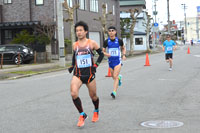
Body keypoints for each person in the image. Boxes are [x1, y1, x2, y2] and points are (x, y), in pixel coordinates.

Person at [68, 21, 104, 127]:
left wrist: (96, 65)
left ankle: (96, 110)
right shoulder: (75, 45)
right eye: (77, 31)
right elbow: (75, 57)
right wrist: (71, 66)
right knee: (73, 93)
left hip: (89, 74)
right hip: (78, 74)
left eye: (80, 30)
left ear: (85, 31)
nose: (78, 33)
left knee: (93, 96)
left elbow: (101, 54)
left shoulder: (91, 43)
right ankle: (82, 114)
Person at [102, 26, 126, 99]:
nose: (111, 32)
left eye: (112, 30)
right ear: (108, 32)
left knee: (115, 76)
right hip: (110, 62)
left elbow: (123, 48)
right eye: (109, 31)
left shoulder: (119, 41)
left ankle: (114, 92)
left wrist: (124, 55)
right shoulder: (106, 41)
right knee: (113, 77)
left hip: (118, 61)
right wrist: (106, 54)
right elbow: (103, 51)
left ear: (115, 32)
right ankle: (119, 78)